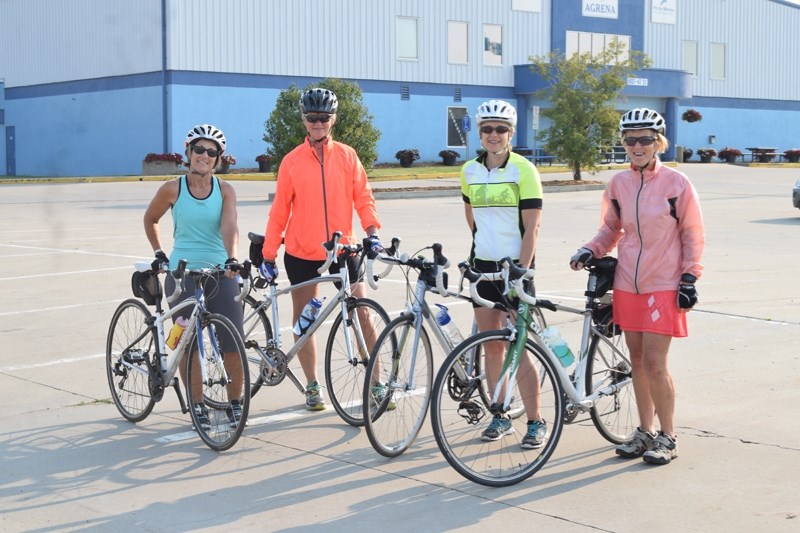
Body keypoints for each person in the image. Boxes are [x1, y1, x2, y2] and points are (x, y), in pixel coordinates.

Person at [569, 107, 705, 465]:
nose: (637, 145)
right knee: (638, 362)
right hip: (628, 283)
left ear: (658, 142)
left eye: (645, 139)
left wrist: (690, 277)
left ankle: (668, 436)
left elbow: (692, 233)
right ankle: (644, 432)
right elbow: (611, 228)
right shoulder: (619, 183)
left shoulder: (677, 184)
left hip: (664, 283)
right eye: (630, 140)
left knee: (656, 363)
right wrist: (590, 248)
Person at [261, 88, 383, 410]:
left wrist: (372, 232)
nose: (318, 123)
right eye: (312, 118)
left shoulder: (347, 156)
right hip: (302, 252)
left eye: (324, 117)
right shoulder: (291, 162)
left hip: (343, 251)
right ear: (304, 119)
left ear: (333, 119)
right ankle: (313, 386)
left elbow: (364, 198)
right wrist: (268, 254)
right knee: (305, 322)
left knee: (362, 314)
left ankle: (377, 383)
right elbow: (279, 211)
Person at [143, 124, 245, 429]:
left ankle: (235, 403)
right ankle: (197, 404)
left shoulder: (226, 190)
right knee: (187, 341)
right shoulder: (172, 188)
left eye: (211, 152)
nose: (204, 155)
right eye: (199, 149)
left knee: (233, 339)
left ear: (218, 158)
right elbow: (150, 219)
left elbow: (230, 227)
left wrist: (233, 258)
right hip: (181, 273)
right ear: (188, 152)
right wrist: (159, 253)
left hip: (218, 271)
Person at [459, 99, 547, 448]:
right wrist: (481, 255)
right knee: (492, 346)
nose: (493, 135)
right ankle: (499, 414)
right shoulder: (469, 171)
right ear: (479, 133)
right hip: (482, 268)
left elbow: (533, 228)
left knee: (519, 348)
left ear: (511, 133)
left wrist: (522, 272)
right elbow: (472, 219)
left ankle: (536, 420)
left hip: (515, 269)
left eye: (500, 129)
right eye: (487, 129)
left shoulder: (524, 170)